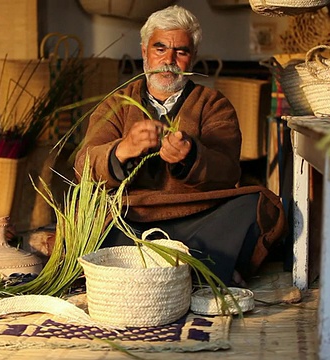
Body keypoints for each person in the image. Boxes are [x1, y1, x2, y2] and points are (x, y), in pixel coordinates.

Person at [74, 5, 285, 286]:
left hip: (195, 215)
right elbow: (83, 167)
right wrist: (123, 149)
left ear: (193, 57)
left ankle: (152, 268)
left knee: (256, 203)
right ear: (145, 51)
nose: (168, 60)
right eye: (159, 48)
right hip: (131, 217)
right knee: (87, 215)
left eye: (181, 52)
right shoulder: (117, 104)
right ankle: (204, 267)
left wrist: (192, 155)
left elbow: (228, 171)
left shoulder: (213, 104)